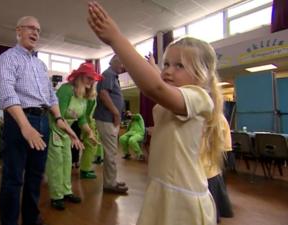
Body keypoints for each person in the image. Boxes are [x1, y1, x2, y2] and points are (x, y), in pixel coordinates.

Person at [88, 2, 224, 224]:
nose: (168, 70)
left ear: (201, 74)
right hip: (161, 186)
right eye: (167, 64)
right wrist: (152, 66)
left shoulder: (199, 97)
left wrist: (117, 39)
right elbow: (161, 81)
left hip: (181, 195)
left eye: (179, 66)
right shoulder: (180, 95)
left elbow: (156, 87)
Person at [0, 16, 82, 225]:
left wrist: (61, 120)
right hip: (19, 121)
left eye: (38, 30)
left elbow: (50, 97)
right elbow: (7, 94)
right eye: (31, 28)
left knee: (35, 177)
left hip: (43, 121)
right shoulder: (7, 58)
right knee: (13, 178)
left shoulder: (41, 65)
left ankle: (31, 218)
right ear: (18, 30)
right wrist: (24, 126)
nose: (35, 33)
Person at [46, 62, 100, 210]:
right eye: (89, 77)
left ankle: (66, 191)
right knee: (56, 164)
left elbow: (81, 119)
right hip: (55, 130)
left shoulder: (83, 96)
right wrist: (74, 136)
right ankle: (56, 196)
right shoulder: (66, 90)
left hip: (66, 132)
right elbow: (59, 118)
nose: (91, 81)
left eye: (93, 78)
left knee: (67, 161)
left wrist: (90, 133)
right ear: (80, 76)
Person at [93, 54, 128, 194]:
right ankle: (109, 184)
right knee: (111, 152)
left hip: (110, 119)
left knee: (111, 152)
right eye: (122, 64)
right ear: (114, 61)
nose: (123, 67)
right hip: (107, 119)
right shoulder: (108, 74)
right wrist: (116, 113)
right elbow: (103, 94)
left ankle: (111, 181)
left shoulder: (112, 75)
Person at [201, 115, 234, 223]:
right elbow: (226, 149)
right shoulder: (220, 118)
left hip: (206, 173)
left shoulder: (217, 118)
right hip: (209, 173)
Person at [79, 98, 103, 179]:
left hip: (88, 123)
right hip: (88, 123)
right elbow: (87, 113)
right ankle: (84, 171)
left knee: (90, 147)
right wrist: (90, 124)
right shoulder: (91, 99)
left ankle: (85, 168)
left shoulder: (90, 98)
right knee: (91, 146)